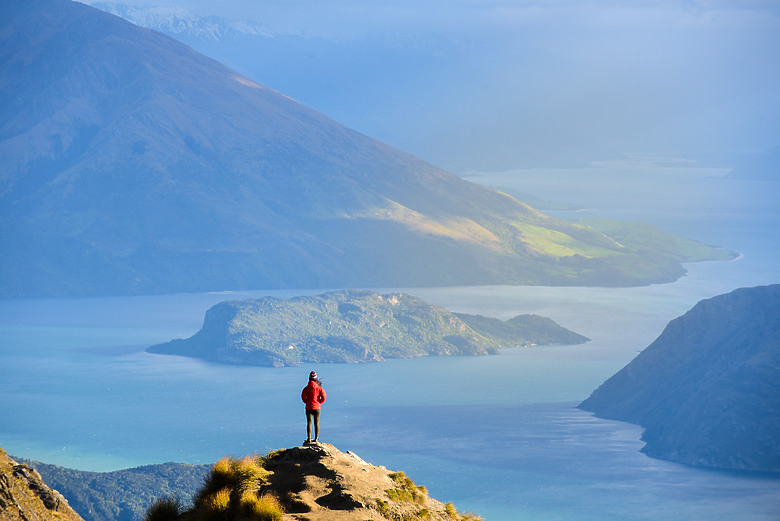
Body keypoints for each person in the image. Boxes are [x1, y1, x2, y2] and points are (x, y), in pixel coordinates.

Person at [301, 371, 326, 444]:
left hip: (308, 407)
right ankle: (316, 439)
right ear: (316, 379)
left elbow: (303, 397)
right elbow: (324, 396)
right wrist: (319, 402)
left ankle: (309, 438)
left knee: (309, 423)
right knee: (316, 423)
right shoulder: (319, 388)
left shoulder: (306, 388)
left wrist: (307, 402)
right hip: (317, 407)